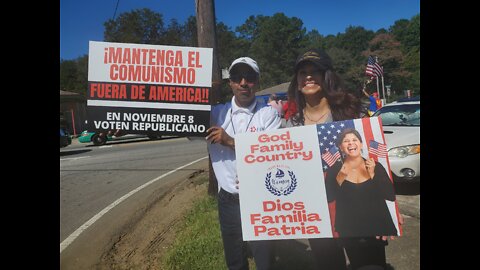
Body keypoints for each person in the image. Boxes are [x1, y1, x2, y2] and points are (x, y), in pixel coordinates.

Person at [285, 48, 401, 270]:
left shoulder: (351, 113)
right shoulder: (290, 126)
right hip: (316, 215)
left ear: (326, 75)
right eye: (302, 72)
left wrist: (390, 213)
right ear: (297, 81)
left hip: (361, 213)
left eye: (315, 71)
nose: (308, 76)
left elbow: (375, 164)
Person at [206, 56, 282, 270]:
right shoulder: (216, 114)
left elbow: (272, 153)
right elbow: (179, 122)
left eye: (249, 77)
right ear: (230, 82)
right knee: (235, 261)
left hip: (261, 199)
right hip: (229, 200)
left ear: (257, 82)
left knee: (265, 260)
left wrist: (230, 141)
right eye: (237, 77)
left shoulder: (268, 115)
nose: (243, 83)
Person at [325, 128, 398, 239]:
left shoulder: (375, 166)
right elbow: (329, 198)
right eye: (346, 141)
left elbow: (390, 196)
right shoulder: (334, 170)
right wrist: (340, 178)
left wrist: (373, 174)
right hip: (348, 229)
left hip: (376, 227)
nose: (351, 143)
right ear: (340, 147)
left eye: (355, 139)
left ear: (361, 144)